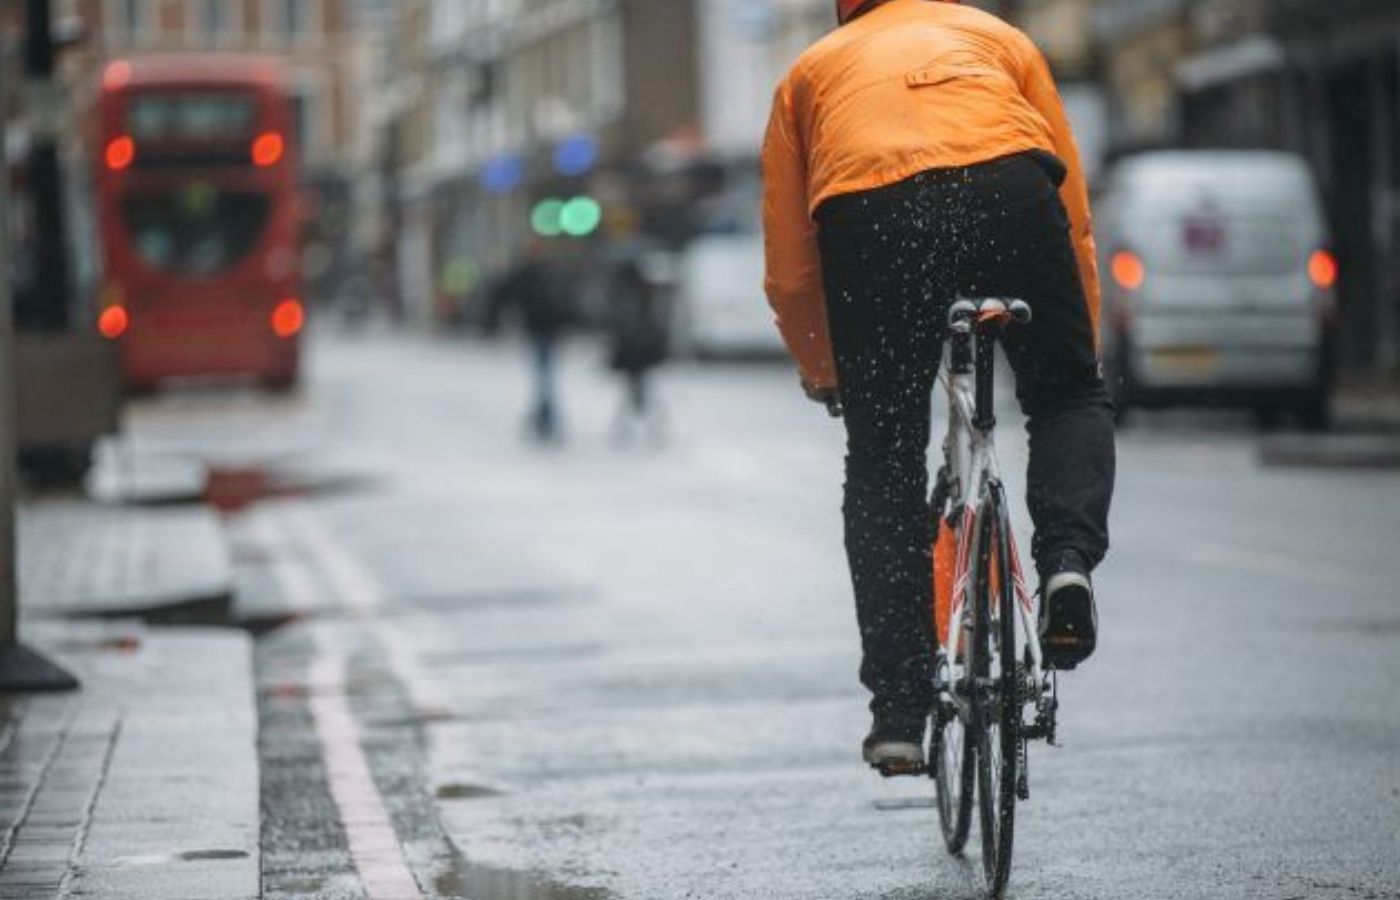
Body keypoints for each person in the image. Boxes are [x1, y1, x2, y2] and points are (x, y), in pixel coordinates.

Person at [761, 0, 1116, 772]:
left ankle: (898, 709)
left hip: (873, 214)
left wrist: (825, 371)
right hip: (1009, 190)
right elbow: (1074, 212)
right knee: (1064, 398)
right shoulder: (1000, 39)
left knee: (884, 454)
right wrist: (1073, 342)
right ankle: (1065, 566)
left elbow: (791, 263)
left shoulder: (811, 73)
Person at [486, 237, 575, 443]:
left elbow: (502, 294)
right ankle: (546, 415)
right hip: (541, 330)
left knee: (543, 375)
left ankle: (545, 416)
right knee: (545, 375)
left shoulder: (540, 273)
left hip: (543, 330)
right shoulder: (544, 272)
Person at [604, 241, 672, 446]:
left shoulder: (622, 292)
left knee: (634, 389)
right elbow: (655, 319)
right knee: (641, 389)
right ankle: (644, 426)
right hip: (642, 348)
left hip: (632, 348)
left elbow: (617, 321)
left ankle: (636, 426)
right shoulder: (646, 290)